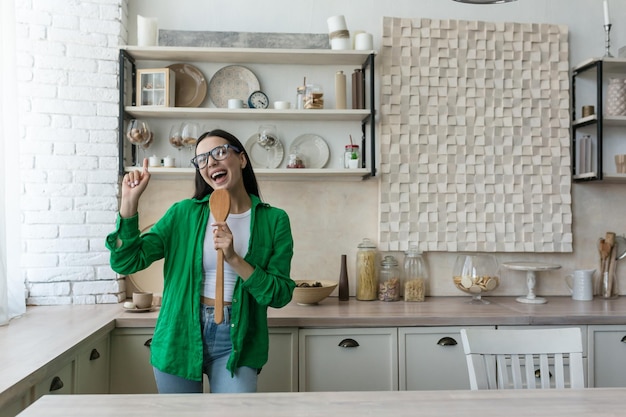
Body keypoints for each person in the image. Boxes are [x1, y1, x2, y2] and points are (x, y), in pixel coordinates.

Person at [105, 129, 295, 393]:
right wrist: (129, 202)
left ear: (241, 159)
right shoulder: (183, 214)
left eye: (219, 152)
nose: (211, 163)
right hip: (179, 333)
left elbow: (280, 294)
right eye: (202, 159)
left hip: (237, 341)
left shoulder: (274, 220)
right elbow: (126, 262)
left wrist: (234, 258)